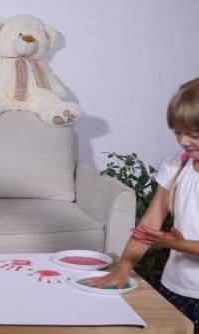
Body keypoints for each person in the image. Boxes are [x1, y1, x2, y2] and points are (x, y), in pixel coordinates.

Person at [85, 78, 199, 332]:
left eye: (194, 135)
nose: (183, 142)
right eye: (178, 133)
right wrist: (124, 266)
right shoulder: (175, 166)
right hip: (176, 285)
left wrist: (178, 244)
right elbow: (150, 222)